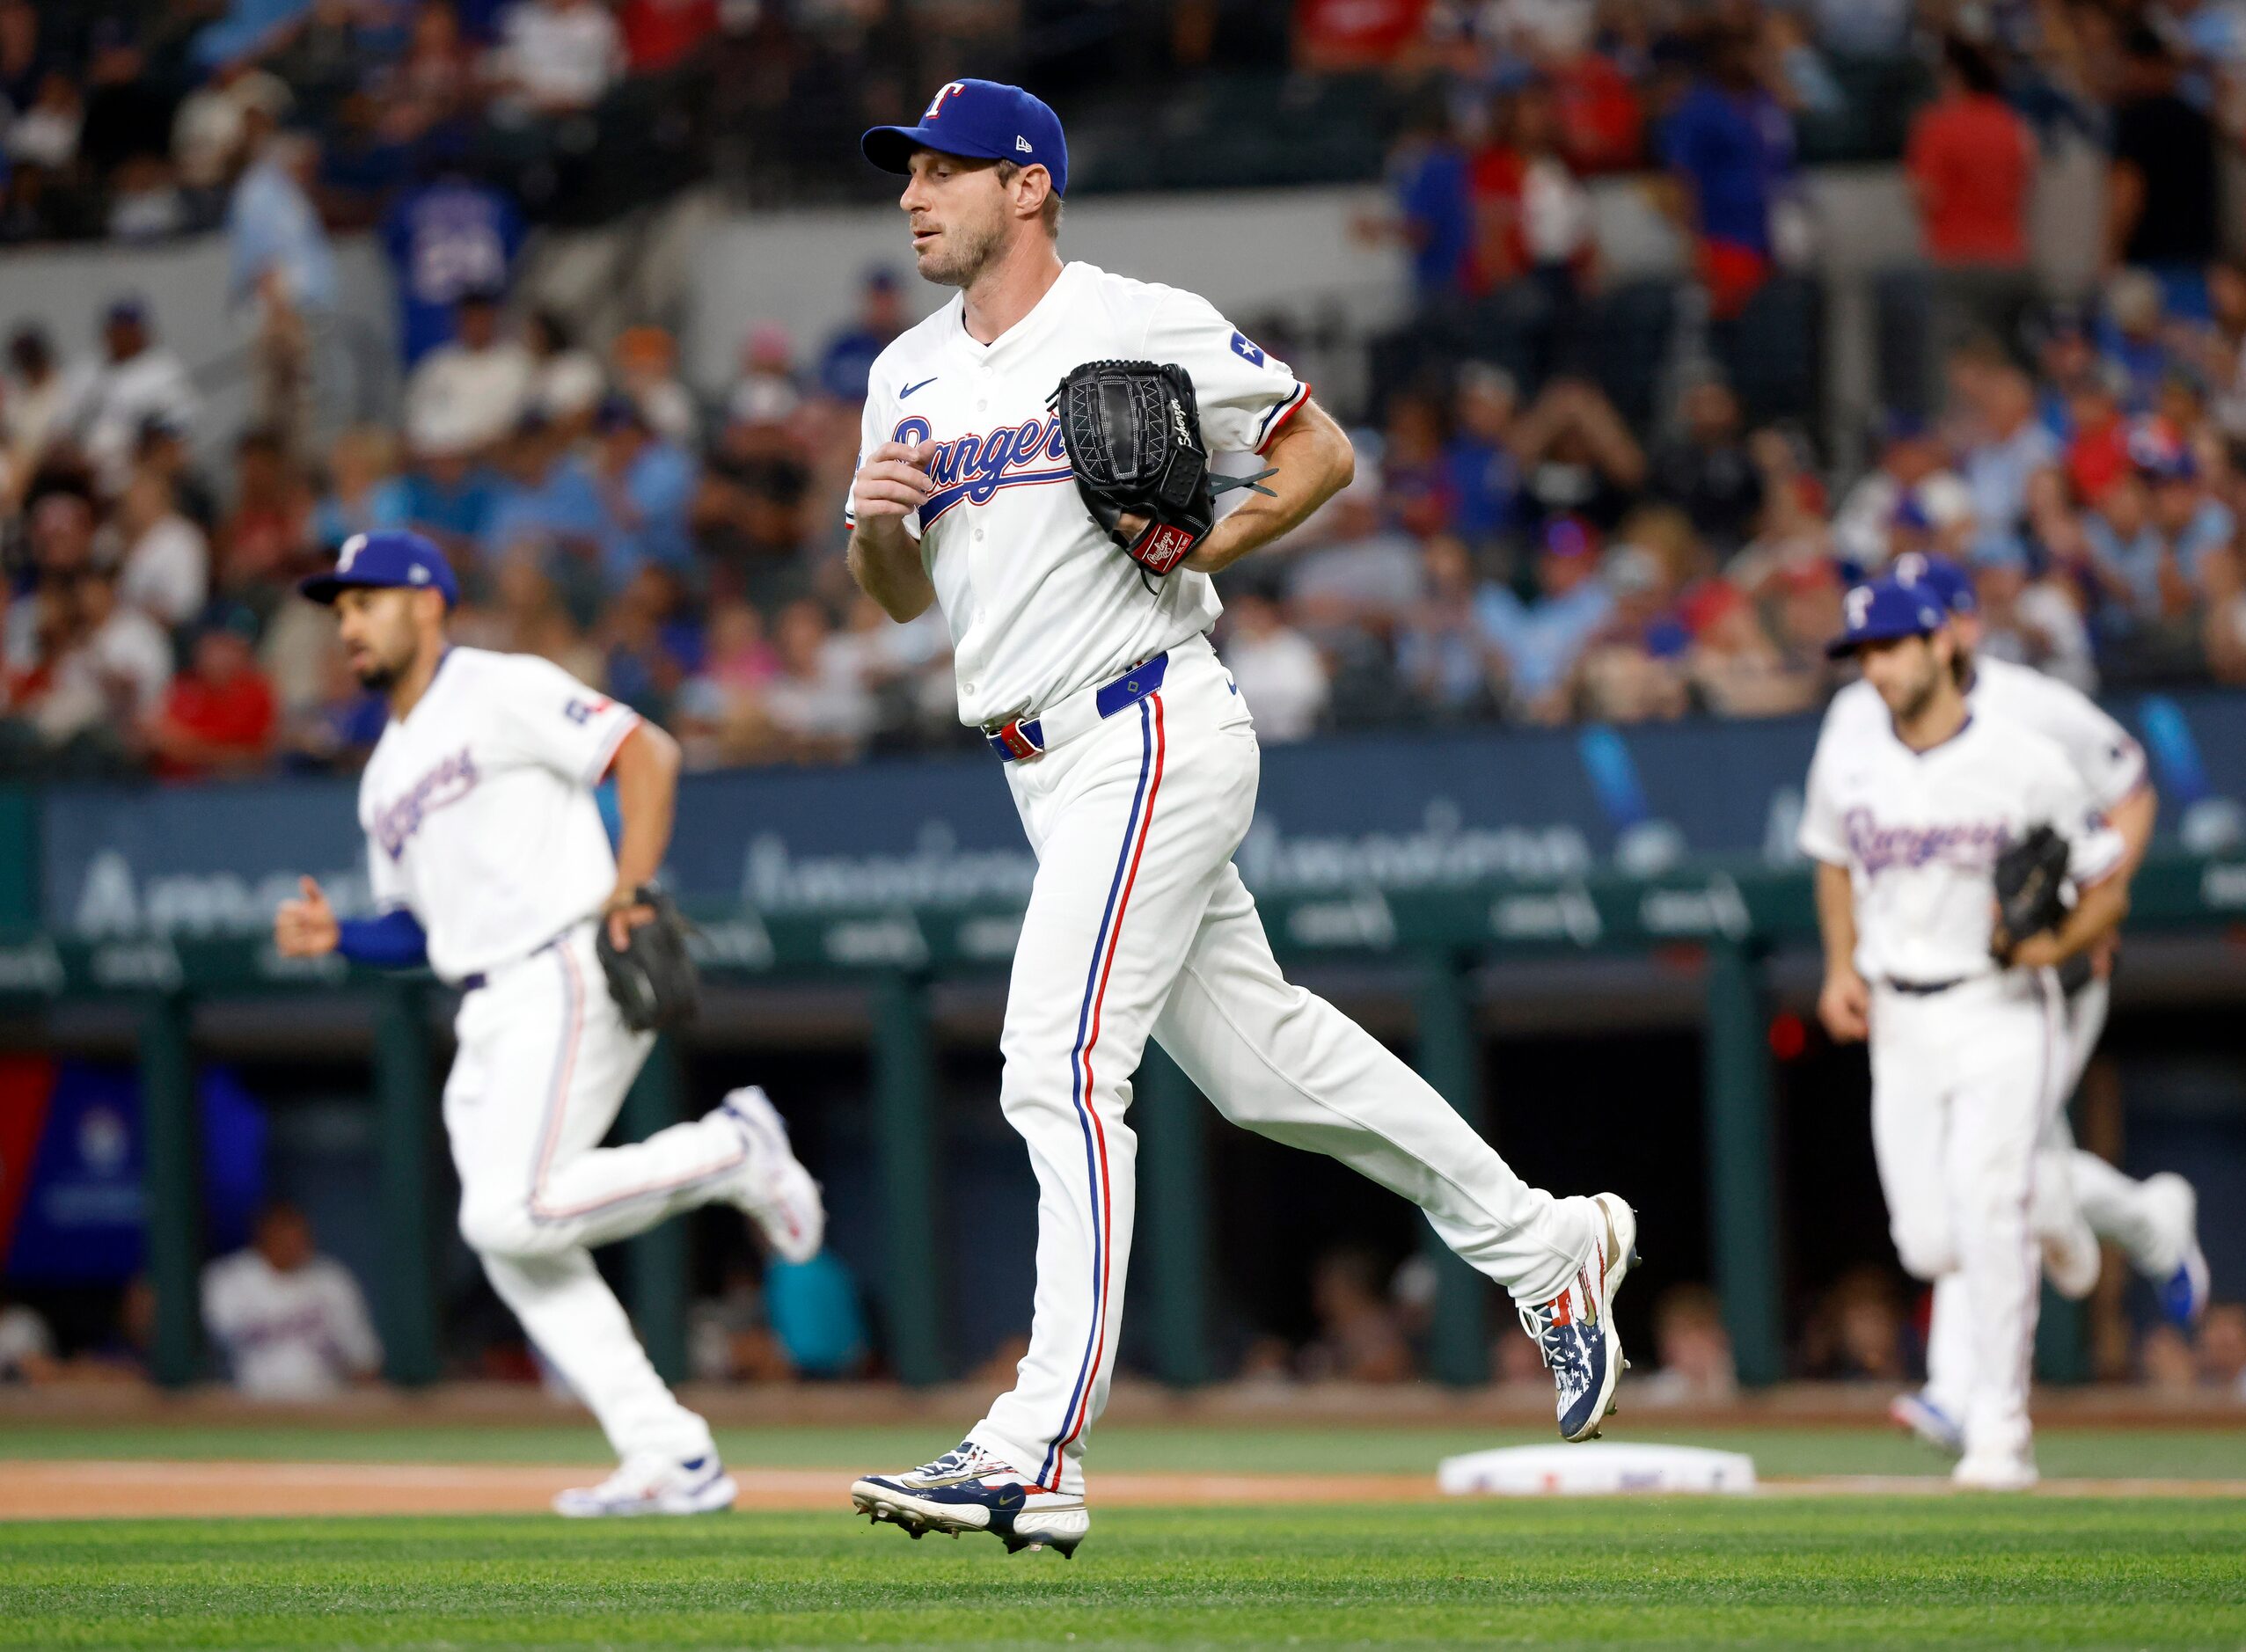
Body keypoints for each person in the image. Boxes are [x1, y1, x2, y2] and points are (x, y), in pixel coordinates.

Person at [839, 78, 1635, 1557]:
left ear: (1028, 187)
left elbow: (1320, 453)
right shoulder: (900, 374)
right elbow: (895, 596)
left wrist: (1212, 533)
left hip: (1147, 718)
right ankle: (1551, 1240)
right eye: (908, 171)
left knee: (1058, 1061)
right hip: (1035, 760)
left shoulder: (1138, 317)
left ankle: (1037, 1444)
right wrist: (880, 527)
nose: (912, 193)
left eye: (944, 169)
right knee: (1268, 1063)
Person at [273, 529, 825, 1516]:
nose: (347, 620)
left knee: (509, 1211)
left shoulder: (494, 686)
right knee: (513, 1241)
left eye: (366, 599)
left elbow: (643, 750)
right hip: (485, 1001)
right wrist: (343, 937)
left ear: (428, 601)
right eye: (340, 606)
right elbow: (420, 925)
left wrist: (631, 886)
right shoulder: (381, 773)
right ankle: (670, 1454)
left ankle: (733, 1150)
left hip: (565, 963)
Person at [1819, 556, 2210, 1458]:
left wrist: (2068, 932)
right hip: (1902, 1004)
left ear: (1950, 633)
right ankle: (2120, 1219)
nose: (1876, 666)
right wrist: (1842, 961)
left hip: (2015, 992)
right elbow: (1830, 847)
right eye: (1863, 650)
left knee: (1989, 1192)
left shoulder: (2028, 728)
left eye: (1894, 642)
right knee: (1933, 1234)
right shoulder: (1854, 729)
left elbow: (2123, 811)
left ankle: (1985, 1415)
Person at [201, 1202, 381, 1400]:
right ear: (262, 1238)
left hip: (326, 1403)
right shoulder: (228, 1280)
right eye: (282, 1236)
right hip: (248, 1405)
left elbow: (364, 1359)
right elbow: (205, 1357)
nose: (292, 1244)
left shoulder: (332, 1281)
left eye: (299, 1236)